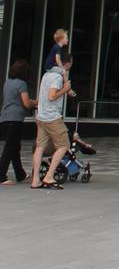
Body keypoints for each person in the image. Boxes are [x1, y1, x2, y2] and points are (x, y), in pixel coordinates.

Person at [31, 47, 74, 191]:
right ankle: (49, 176)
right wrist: (65, 88)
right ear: (66, 63)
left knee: (40, 147)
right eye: (70, 63)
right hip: (52, 117)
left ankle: (36, 179)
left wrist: (67, 88)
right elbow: (51, 96)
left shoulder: (47, 75)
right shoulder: (56, 77)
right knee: (63, 145)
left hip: (41, 116)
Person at [0, 60, 34, 184]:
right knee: (10, 148)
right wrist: (34, 102)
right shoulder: (22, 84)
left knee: (15, 147)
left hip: (4, 118)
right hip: (16, 119)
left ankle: (20, 174)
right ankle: (1, 176)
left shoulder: (7, 82)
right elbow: (26, 103)